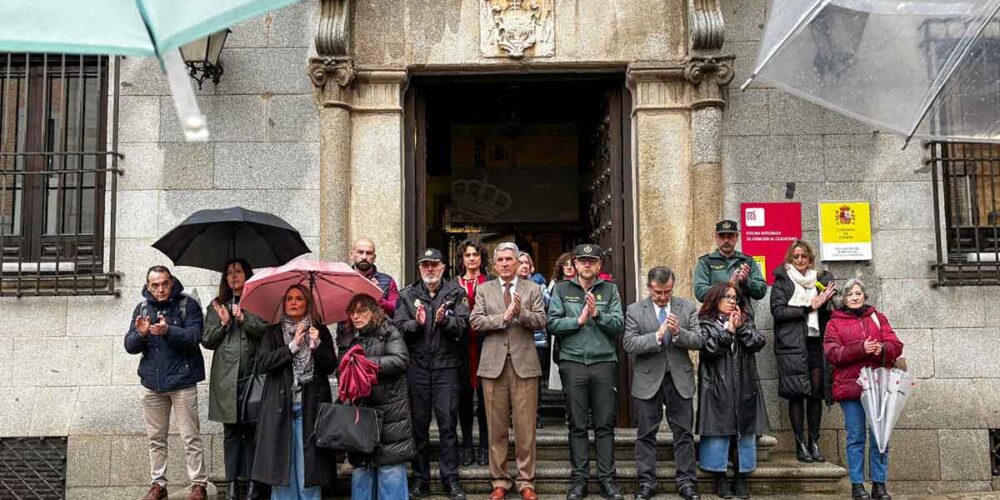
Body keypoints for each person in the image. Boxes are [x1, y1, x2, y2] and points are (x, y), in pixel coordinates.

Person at [547, 243, 625, 500]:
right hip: (573, 363)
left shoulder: (610, 290)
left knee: (604, 425)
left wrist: (598, 314)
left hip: (603, 362)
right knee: (577, 425)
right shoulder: (562, 289)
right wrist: (578, 321)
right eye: (583, 260)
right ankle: (579, 480)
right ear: (575, 264)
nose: (587, 264)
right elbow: (552, 323)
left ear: (599, 265)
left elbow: (619, 325)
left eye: (592, 261)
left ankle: (607, 480)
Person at [124, 266, 208, 500]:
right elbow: (129, 345)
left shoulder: (187, 305)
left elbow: (195, 337)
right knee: (156, 439)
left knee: (190, 437)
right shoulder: (142, 308)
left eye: (164, 284)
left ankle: (198, 485)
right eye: (155, 285)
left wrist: (168, 330)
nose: (160, 289)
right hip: (152, 384)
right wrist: (141, 334)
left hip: (183, 382)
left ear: (171, 283)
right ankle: (158, 484)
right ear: (148, 286)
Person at [471, 242, 547, 500]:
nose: (504, 263)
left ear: (517, 262)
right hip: (493, 366)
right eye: (500, 260)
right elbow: (475, 321)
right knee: (496, 428)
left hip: (524, 365)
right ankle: (500, 480)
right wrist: (503, 317)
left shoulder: (532, 288)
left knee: (526, 428)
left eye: (509, 259)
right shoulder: (484, 289)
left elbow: (541, 320)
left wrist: (520, 313)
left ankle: (526, 481)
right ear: (494, 264)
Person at [395, 248, 471, 500]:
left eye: (434, 264)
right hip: (417, 368)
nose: (430, 269)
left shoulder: (456, 293)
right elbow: (397, 328)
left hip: (447, 368)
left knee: (448, 425)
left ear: (443, 267)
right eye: (425, 265)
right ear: (420, 268)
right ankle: (420, 478)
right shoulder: (407, 295)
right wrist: (415, 324)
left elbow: (464, 327)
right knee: (419, 427)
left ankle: (451, 478)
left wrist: (445, 322)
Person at [623, 267, 703, 500]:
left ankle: (687, 482)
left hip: (679, 378)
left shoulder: (686, 307)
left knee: (684, 433)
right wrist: (656, 337)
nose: (663, 297)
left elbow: (699, 340)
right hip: (647, 379)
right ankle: (646, 482)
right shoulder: (635, 310)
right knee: (646, 434)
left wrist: (678, 333)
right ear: (649, 288)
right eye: (658, 292)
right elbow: (629, 344)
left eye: (667, 291)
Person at [251, 285, 338, 500]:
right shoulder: (273, 332)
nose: (293, 302)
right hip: (280, 407)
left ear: (307, 303)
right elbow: (263, 363)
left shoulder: (319, 330)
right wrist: (292, 346)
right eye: (289, 298)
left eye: (299, 298)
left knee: (309, 468)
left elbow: (330, 366)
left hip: (310, 408)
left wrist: (317, 345)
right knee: (283, 467)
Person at [824, 279, 903, 500]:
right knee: (856, 437)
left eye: (858, 293)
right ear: (844, 298)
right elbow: (833, 354)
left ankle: (879, 484)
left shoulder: (878, 318)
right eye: (850, 294)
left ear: (865, 296)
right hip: (851, 388)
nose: (855, 297)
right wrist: (861, 348)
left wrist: (882, 348)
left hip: (878, 387)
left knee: (880, 437)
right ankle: (857, 485)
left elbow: (896, 345)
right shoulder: (834, 323)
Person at [202, 259, 269, 500]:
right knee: (231, 431)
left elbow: (265, 331)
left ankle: (252, 483)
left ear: (247, 275)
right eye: (229, 272)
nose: (234, 276)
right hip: (226, 378)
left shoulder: (258, 302)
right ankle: (231, 483)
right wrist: (224, 323)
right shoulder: (216, 305)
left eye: (238, 271)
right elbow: (207, 340)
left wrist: (244, 318)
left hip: (252, 375)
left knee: (251, 429)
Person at [697, 282, 768, 499]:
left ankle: (741, 477)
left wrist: (741, 328)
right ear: (715, 299)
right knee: (719, 432)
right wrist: (727, 332)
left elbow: (758, 342)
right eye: (726, 297)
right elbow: (708, 349)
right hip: (716, 387)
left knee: (743, 432)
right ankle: (720, 479)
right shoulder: (705, 323)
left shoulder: (744, 320)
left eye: (734, 298)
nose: (731, 301)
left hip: (743, 385)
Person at [343, 294, 416, 500]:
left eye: (361, 311)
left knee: (390, 469)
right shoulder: (350, 337)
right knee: (362, 469)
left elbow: (400, 360)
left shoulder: (388, 331)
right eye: (352, 312)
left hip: (390, 412)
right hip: (361, 413)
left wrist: (366, 363)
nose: (356, 316)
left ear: (374, 312)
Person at [770, 240, 835, 464]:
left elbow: (831, 309)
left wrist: (827, 299)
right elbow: (778, 312)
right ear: (790, 259)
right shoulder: (783, 281)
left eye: (803, 256)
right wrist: (809, 307)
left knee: (816, 393)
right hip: (792, 345)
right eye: (795, 256)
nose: (800, 260)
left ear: (810, 259)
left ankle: (813, 441)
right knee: (796, 393)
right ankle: (800, 444)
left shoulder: (818, 280)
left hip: (815, 342)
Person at [455, 239, 492, 467]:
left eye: (475, 255)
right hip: (461, 348)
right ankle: (467, 444)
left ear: (481, 258)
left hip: (486, 345)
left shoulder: (491, 282)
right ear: (462, 259)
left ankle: (485, 446)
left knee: (486, 401)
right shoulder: (453, 284)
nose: (471, 259)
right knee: (464, 399)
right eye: (467, 255)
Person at [693, 219, 767, 318]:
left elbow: (761, 291)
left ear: (737, 237)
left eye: (730, 236)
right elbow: (700, 292)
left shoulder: (747, 261)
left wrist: (746, 282)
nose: (726, 241)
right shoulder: (706, 262)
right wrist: (728, 285)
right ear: (716, 238)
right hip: (714, 320)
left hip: (743, 318)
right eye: (722, 236)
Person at [517, 251, 549, 429]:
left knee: (534, 381)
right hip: (515, 339)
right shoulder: (508, 286)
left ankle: (535, 414)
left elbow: (546, 307)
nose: (523, 266)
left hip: (536, 340)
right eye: (520, 262)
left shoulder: (539, 285)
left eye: (526, 263)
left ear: (531, 267)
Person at [546, 251, 576, 392]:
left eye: (572, 264)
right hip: (559, 326)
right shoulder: (555, 284)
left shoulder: (582, 282)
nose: (569, 267)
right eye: (565, 264)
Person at [350, 238, 400, 316]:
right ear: (351, 255)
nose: (364, 257)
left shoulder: (388, 281)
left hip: (379, 323)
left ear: (374, 257)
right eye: (360, 252)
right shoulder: (341, 279)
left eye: (369, 253)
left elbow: (396, 310)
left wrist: (376, 295)